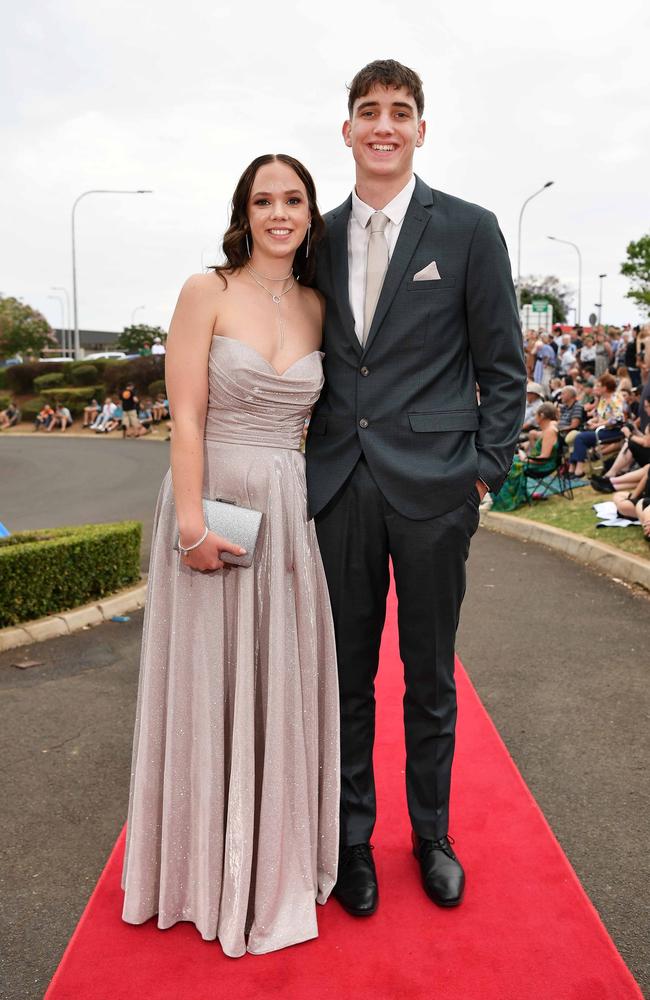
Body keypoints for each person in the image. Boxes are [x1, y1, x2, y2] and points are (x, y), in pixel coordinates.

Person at [305, 60, 526, 917]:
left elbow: (503, 367)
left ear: (421, 130)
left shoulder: (469, 230)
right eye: (369, 111)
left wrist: (487, 471)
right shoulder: (316, 238)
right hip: (340, 488)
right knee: (345, 677)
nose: (384, 125)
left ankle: (430, 835)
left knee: (429, 675)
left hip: (438, 488)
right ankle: (351, 841)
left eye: (401, 112)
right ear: (349, 129)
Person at [121, 154, 339, 958]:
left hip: (285, 511)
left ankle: (268, 865)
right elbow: (186, 418)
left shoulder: (321, 305)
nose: (278, 212)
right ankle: (200, 874)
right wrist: (187, 526)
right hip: (210, 503)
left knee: (270, 681)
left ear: (312, 213)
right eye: (263, 200)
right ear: (243, 212)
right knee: (207, 685)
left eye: (293, 199)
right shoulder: (204, 291)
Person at [491, 403, 560, 512]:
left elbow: (544, 458)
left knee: (504, 466)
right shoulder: (551, 428)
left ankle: (506, 501)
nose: (534, 418)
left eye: (535, 415)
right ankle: (509, 496)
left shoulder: (550, 431)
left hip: (542, 466)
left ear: (541, 416)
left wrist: (525, 458)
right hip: (540, 463)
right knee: (506, 461)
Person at [569, 372, 625, 477]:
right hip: (603, 429)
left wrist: (598, 425)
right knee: (576, 436)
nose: (596, 388)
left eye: (598, 386)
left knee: (580, 438)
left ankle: (578, 470)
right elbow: (601, 416)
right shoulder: (603, 400)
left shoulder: (615, 398)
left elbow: (618, 418)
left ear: (605, 387)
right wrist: (593, 421)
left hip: (614, 431)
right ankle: (572, 468)